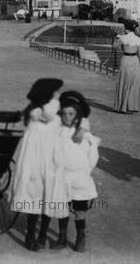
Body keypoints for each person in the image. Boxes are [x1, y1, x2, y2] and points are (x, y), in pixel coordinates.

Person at [9, 78, 69, 251]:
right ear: (49, 94)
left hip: (41, 160)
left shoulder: (36, 111)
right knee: (43, 194)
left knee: (39, 195)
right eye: (56, 91)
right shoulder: (49, 110)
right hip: (42, 160)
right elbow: (53, 120)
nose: (58, 94)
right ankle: (36, 235)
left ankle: (37, 235)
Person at [52, 91, 100, 253]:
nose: (67, 117)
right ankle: (62, 237)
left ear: (77, 114)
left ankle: (80, 237)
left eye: (71, 114)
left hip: (79, 177)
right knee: (62, 207)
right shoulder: (59, 132)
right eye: (64, 114)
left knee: (79, 209)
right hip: (62, 176)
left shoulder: (84, 134)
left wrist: (85, 171)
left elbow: (92, 156)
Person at [114, 19, 140, 113]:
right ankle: (131, 106)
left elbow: (115, 47)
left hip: (125, 60)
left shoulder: (122, 38)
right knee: (134, 83)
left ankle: (121, 107)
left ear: (126, 28)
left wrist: (117, 38)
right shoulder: (139, 40)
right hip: (135, 61)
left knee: (124, 82)